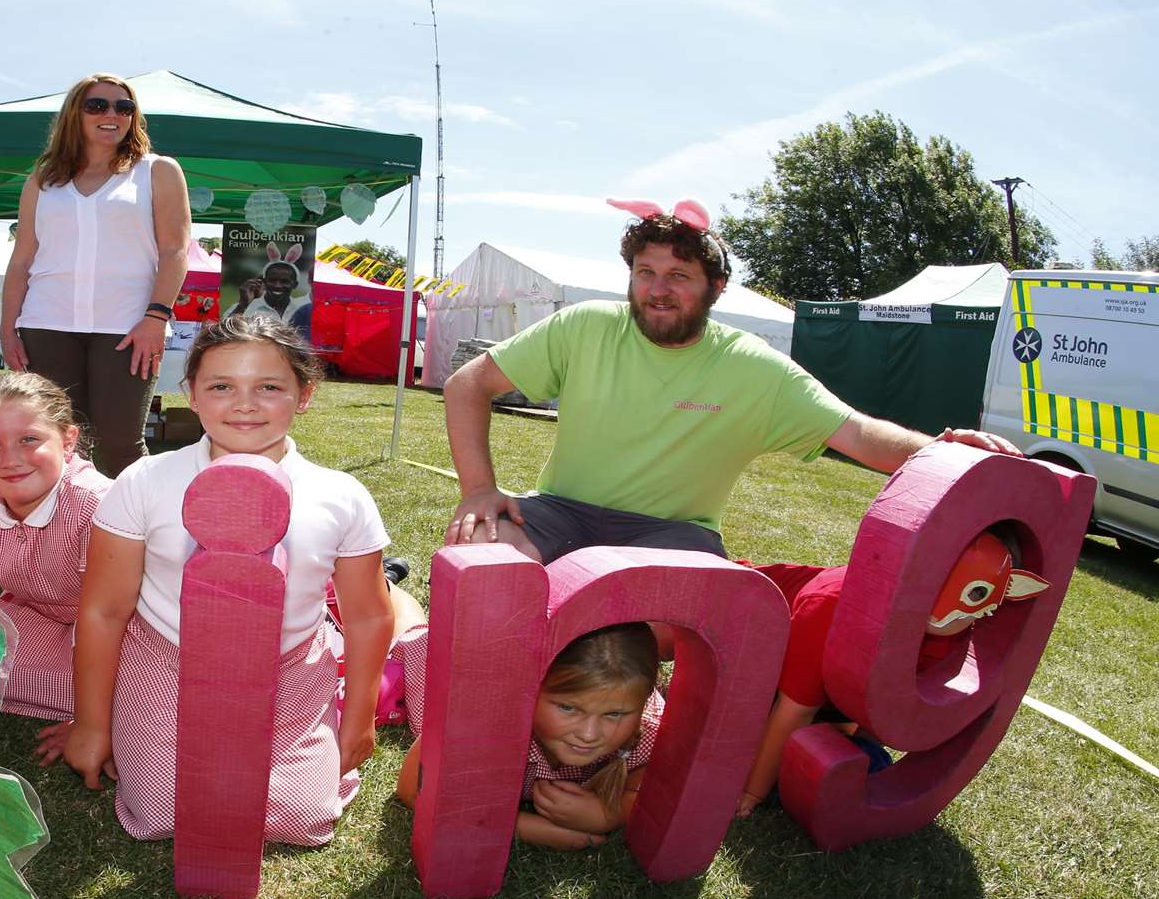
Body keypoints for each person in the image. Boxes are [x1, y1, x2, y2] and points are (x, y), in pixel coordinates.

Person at [443, 198, 1023, 562]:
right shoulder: (588, 325)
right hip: (559, 511)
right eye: (645, 271)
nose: (657, 289)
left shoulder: (754, 367)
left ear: (716, 287)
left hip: (672, 536)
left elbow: (860, 434)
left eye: (678, 274)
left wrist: (944, 451)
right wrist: (478, 489)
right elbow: (468, 383)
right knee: (479, 555)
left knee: (632, 612)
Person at [47, 315, 394, 846]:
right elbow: (103, 609)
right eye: (221, 386)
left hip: (288, 669)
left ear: (304, 394)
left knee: (296, 820)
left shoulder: (340, 494)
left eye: (270, 387)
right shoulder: (146, 481)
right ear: (191, 392)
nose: (245, 404)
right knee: (163, 813)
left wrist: (360, 718)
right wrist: (93, 724)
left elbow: (369, 613)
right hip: (167, 661)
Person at [735, 530, 1050, 816]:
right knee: (744, 736)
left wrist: (851, 742)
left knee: (848, 765)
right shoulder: (834, 606)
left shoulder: (954, 630)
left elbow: (887, 697)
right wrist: (752, 792)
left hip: (825, 695)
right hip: (756, 648)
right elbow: (795, 708)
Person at [0, 72, 193, 477]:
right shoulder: (43, 178)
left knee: (120, 446)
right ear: (75, 113)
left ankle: (132, 537)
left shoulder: (157, 171)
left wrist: (156, 317)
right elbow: (21, 260)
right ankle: (65, 536)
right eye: (97, 105)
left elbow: (175, 251)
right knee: (57, 442)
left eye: (124, 107)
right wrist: (7, 330)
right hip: (45, 324)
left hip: (128, 328)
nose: (112, 114)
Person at [397, 621, 664, 852]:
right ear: (527, 688)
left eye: (614, 714)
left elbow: (653, 796)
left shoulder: (648, 732)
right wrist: (521, 826)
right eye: (568, 708)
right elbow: (412, 790)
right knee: (408, 628)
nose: (589, 734)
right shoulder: (480, 717)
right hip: (436, 660)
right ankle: (388, 586)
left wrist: (610, 815)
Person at [0, 371, 113, 721]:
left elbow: (111, 615)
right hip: (40, 613)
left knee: (117, 689)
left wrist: (88, 720)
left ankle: (105, 704)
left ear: (68, 440)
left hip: (118, 628)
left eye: (29, 439)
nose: (10, 460)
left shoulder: (96, 506)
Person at [228, 241, 313, 339]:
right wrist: (243, 304)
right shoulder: (246, 307)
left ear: (295, 284)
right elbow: (225, 332)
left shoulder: (302, 308)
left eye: (284, 281)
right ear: (263, 281)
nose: (277, 285)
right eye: (272, 280)